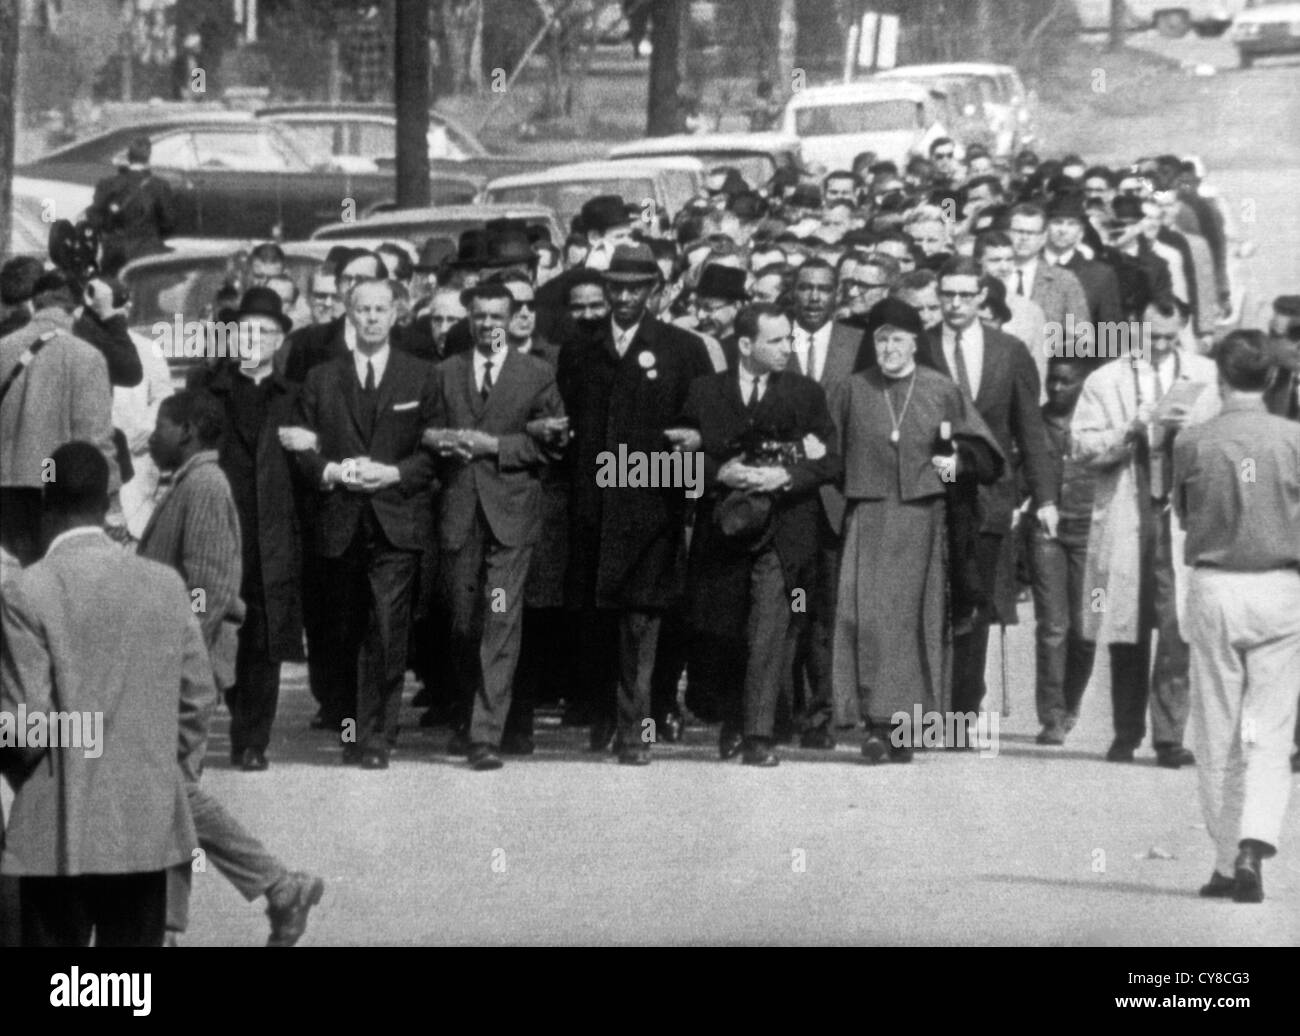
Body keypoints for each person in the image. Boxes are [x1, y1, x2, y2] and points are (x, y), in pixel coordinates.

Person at [0, 443, 211, 947]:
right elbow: (199, 698)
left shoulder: (26, 591)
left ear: (46, 507)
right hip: (143, 828)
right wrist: (167, 776)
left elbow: (24, 728)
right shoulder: (165, 585)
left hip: (55, 833)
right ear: (107, 502)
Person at [556, 244, 713, 764]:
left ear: (654, 291)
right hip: (594, 507)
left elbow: (697, 429)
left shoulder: (681, 349)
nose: (623, 297)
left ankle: (635, 729)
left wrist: (687, 497)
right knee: (597, 621)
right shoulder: (579, 349)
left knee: (642, 623)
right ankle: (605, 714)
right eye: (615, 287)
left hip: (652, 506)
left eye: (635, 288)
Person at [829, 299, 1002, 760]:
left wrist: (953, 466)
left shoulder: (941, 389)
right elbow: (828, 456)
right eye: (881, 339)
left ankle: (902, 725)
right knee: (864, 621)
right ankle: (874, 721)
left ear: (914, 343)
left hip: (923, 520)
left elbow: (981, 458)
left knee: (911, 624)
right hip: (868, 517)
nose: (888, 348)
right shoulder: (852, 389)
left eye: (898, 339)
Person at [677, 304, 841, 765]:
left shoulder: (806, 394)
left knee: (769, 630)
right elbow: (673, 458)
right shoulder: (705, 392)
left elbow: (831, 460)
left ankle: (758, 734)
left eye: (789, 339)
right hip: (724, 529)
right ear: (745, 345)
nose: (788, 348)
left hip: (783, 530)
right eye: (776, 341)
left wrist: (785, 477)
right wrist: (719, 471)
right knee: (724, 630)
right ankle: (731, 719)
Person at [1173, 330, 1300, 904]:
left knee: (1216, 728)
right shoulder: (1295, 439)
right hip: (1280, 586)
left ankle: (1225, 860)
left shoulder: (1193, 440)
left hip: (1216, 584)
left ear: (1219, 378)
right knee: (1270, 732)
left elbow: (1182, 512)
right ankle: (1254, 841)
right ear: (1274, 379)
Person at [292, 278, 438, 769]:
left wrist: (394, 472)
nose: (372, 318)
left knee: (387, 625)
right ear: (348, 316)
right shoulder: (322, 378)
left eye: (381, 309)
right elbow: (302, 450)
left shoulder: (422, 376)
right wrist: (332, 472)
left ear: (396, 314)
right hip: (341, 520)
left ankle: (378, 735)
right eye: (363, 310)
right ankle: (352, 728)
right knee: (345, 629)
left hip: (395, 518)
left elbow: (433, 453)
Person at [1071, 297, 1219, 766]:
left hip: (1179, 515)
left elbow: (1223, 443)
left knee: (1179, 628)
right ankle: (1125, 732)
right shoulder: (1105, 379)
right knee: (1125, 625)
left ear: (1183, 332)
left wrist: (1189, 434)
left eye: (1169, 338)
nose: (1158, 345)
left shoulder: (1205, 375)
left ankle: (1170, 736)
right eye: (1150, 336)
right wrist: (1130, 430)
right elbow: (1082, 448)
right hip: (1127, 510)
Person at [425, 283, 565, 770]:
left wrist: (496, 448)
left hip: (510, 518)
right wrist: (443, 440)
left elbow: (554, 444)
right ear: (469, 318)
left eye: (496, 316)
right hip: (461, 515)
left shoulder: (536, 375)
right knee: (464, 623)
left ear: (512, 317)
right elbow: (424, 432)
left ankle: (486, 733)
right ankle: (468, 714)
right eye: (479, 316)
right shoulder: (445, 373)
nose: (488, 325)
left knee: (499, 619)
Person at [187, 288, 304, 772]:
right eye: (245, 331)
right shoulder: (208, 390)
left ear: (280, 342)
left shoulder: (295, 396)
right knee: (216, 626)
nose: (255, 341)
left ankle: (252, 740)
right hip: (221, 529)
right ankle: (213, 724)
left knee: (265, 637)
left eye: (266, 332)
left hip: (274, 530)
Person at [0, 271, 118, 565]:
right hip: (58, 496)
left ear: (34, 307)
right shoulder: (87, 357)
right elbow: (95, 442)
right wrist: (113, 503)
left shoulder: (2, 349)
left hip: (6, 493)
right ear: (76, 309)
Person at [1031, 359, 1098, 745]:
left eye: (1066, 382)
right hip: (1046, 535)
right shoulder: (1036, 421)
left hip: (1091, 533)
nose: (1057, 388)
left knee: (1087, 627)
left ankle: (1071, 702)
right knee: (1053, 626)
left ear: (1083, 383)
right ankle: (1052, 715)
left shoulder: (1095, 421)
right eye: (1052, 380)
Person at [87, 135, 176, 274]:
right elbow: (168, 223)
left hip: (115, 253)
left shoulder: (107, 184)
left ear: (128, 157)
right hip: (148, 253)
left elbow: (94, 216)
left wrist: (109, 231)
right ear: (149, 157)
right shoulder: (160, 186)